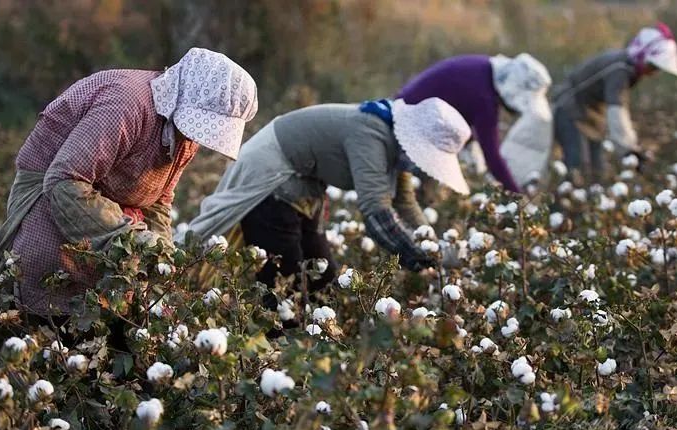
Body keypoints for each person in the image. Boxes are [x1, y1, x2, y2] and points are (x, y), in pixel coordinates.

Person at [0, 47, 258, 314]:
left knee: (115, 309)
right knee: (52, 295)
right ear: (183, 94)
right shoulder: (126, 104)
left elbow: (160, 199)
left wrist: (161, 253)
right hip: (51, 198)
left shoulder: (184, 133)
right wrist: (130, 239)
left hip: (102, 207)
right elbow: (64, 181)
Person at [178, 97, 472, 291]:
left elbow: (405, 204)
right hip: (271, 178)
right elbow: (376, 211)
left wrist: (434, 248)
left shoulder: (398, 143)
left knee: (324, 279)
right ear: (414, 139)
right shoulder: (372, 132)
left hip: (306, 188)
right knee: (285, 280)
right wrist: (420, 259)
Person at [396, 53, 553, 192]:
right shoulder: (485, 98)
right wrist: (516, 195)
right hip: (408, 126)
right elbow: (492, 157)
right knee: (416, 188)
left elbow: (458, 106)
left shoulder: (484, 68)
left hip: (404, 109)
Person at [552, 23, 677, 174]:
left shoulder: (626, 67)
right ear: (641, 56)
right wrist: (629, 150)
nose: (654, 73)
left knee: (597, 171)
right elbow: (617, 111)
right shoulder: (620, 69)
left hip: (591, 118)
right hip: (570, 112)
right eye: (653, 66)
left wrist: (631, 147)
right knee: (578, 167)